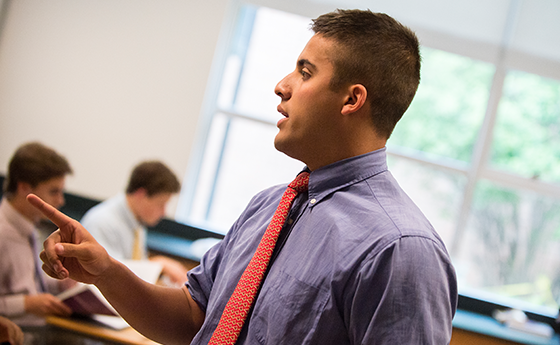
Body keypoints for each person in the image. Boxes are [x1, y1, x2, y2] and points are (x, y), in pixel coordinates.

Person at [32, 9, 458, 344]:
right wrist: (105, 271)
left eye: (305, 72)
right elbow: (192, 320)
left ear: (351, 99)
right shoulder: (270, 205)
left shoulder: (400, 251)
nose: (281, 85)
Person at [0, 142, 73, 326]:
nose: (60, 200)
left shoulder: (29, 225)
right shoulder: (3, 232)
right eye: (54, 191)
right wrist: (26, 304)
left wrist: (60, 283)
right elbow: (24, 297)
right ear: (24, 187)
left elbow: (25, 285)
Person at [80, 161, 188, 284]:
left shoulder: (137, 222)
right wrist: (158, 264)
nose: (163, 212)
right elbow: (109, 276)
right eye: (161, 204)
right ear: (141, 195)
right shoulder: (102, 222)